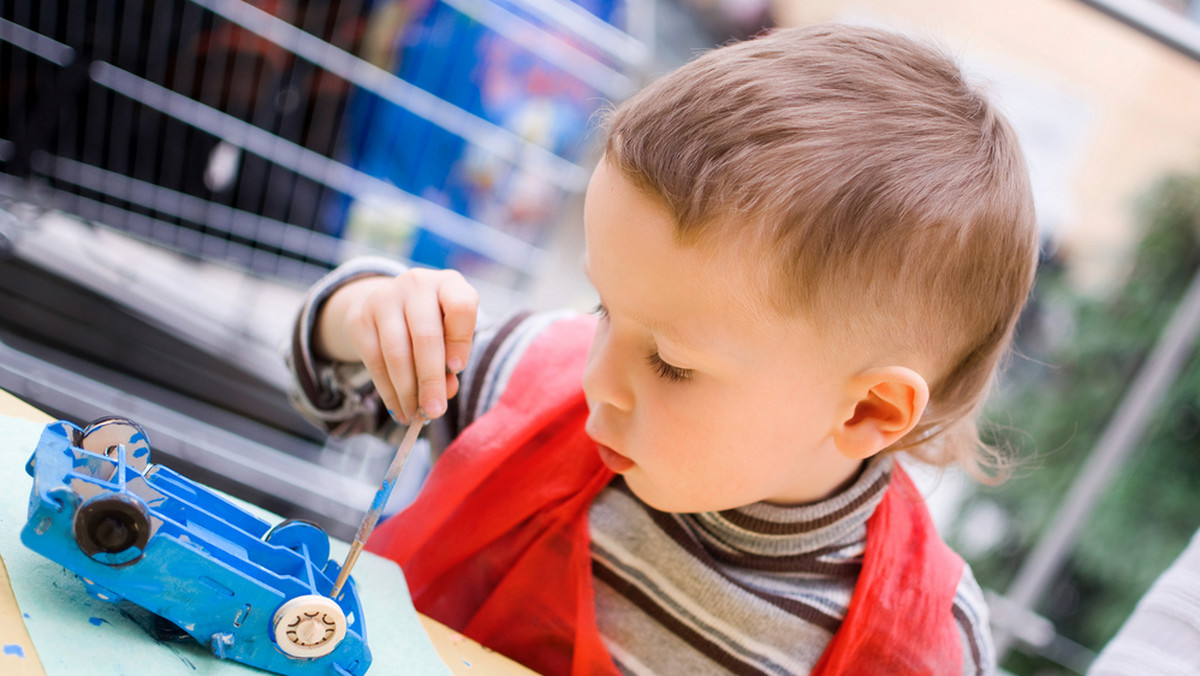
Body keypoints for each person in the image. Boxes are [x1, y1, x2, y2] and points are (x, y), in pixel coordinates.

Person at [288, 23, 1038, 676]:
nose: (597, 381)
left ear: (871, 409)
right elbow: (334, 394)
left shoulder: (925, 645)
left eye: (672, 363)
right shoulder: (537, 381)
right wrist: (366, 316)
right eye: (605, 308)